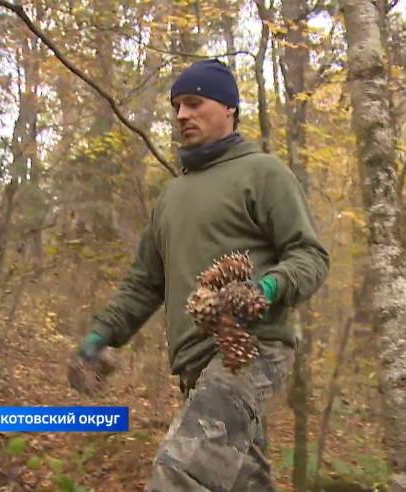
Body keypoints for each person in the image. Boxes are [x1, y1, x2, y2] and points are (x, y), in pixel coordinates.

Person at [69, 59, 330, 491]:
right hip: (192, 368)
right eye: (176, 107)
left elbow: (311, 255)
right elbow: (144, 284)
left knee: (180, 474)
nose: (181, 115)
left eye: (194, 103)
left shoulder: (264, 173)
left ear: (228, 108)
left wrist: (266, 287)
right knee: (243, 482)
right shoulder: (171, 196)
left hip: (249, 349)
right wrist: (101, 336)